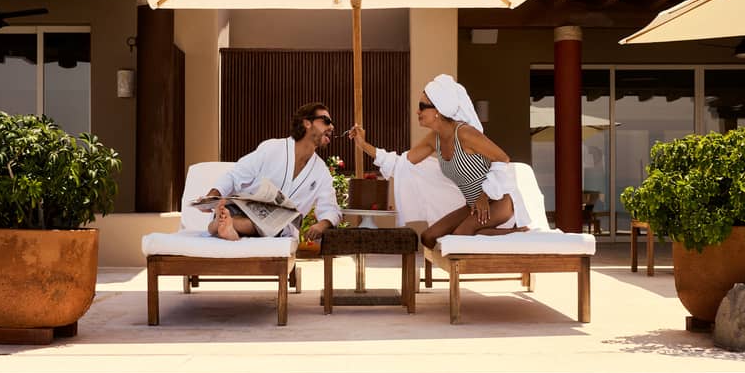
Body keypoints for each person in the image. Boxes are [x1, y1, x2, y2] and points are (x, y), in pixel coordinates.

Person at [348, 74, 528, 248]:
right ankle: (502, 232)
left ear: (438, 110)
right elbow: (401, 163)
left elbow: (502, 158)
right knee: (428, 237)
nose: (418, 111)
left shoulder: (465, 133)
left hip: (498, 201)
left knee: (459, 237)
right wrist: (363, 144)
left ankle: (516, 234)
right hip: (472, 205)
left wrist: (484, 195)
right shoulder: (434, 139)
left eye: (422, 106)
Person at [205, 101, 341, 243]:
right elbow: (235, 176)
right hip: (244, 211)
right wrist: (213, 195)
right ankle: (226, 225)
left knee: (273, 225)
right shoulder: (272, 148)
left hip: (278, 228)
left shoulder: (321, 172)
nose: (331, 127)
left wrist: (322, 224)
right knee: (234, 210)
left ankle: (222, 226)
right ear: (307, 123)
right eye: (326, 121)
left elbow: (330, 208)